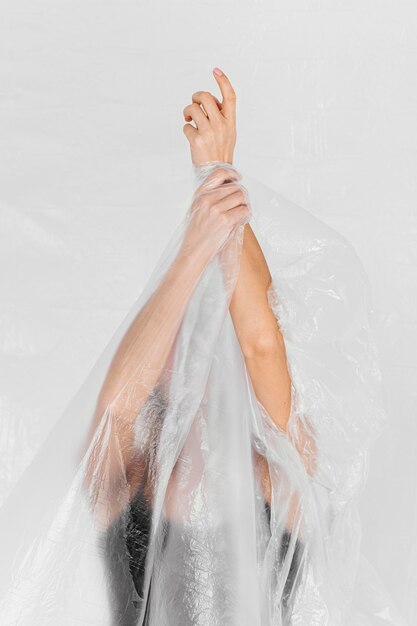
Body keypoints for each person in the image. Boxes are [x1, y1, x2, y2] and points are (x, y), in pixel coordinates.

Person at [84, 67, 304, 624]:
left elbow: (261, 344)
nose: (196, 353)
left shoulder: (275, 473)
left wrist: (217, 176)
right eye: (177, 341)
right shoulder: (128, 484)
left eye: (211, 337)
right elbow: (114, 410)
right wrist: (194, 247)